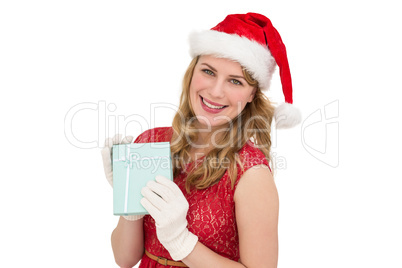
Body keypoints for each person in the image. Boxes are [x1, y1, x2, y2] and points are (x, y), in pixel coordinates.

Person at [101, 12, 301, 268]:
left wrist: (181, 241)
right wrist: (128, 204)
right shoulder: (151, 141)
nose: (216, 92)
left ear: (252, 94)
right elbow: (124, 259)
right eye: (208, 71)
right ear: (192, 72)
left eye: (235, 81)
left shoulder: (251, 174)